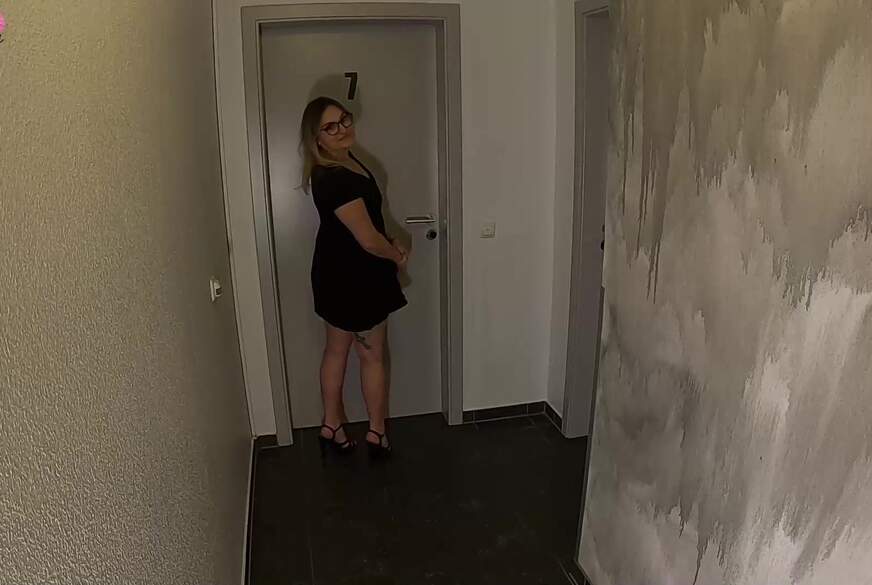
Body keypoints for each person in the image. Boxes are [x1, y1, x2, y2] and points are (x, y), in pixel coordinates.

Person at [299, 97, 408, 459]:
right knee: (371, 356)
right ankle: (376, 433)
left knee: (336, 351)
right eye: (330, 127)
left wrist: (389, 239)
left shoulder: (344, 162)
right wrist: (396, 255)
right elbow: (367, 240)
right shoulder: (334, 177)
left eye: (344, 120)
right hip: (356, 279)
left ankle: (331, 425)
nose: (343, 129)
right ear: (316, 138)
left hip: (338, 274)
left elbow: (368, 224)